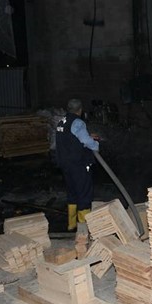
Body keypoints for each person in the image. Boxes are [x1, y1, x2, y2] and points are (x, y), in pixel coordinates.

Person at [55, 99, 100, 231]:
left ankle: (71, 225)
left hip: (66, 164)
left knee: (72, 194)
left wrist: (88, 136)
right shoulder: (78, 122)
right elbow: (85, 140)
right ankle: (83, 229)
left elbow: (69, 137)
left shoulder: (61, 121)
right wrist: (95, 145)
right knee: (84, 194)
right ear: (80, 110)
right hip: (79, 164)